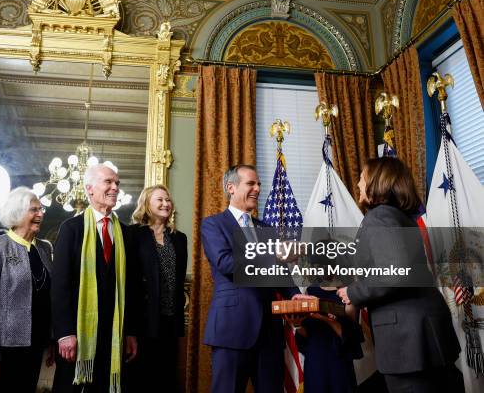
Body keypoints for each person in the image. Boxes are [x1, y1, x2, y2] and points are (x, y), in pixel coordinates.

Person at [337, 157, 462, 393]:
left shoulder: (379, 217)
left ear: (377, 182)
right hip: (426, 336)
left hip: (409, 344)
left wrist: (353, 292)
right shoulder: (399, 217)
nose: (357, 184)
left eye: (362, 178)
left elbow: (394, 271)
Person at [201, 164, 313, 393]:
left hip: (269, 334)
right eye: (251, 183)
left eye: (259, 184)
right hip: (232, 330)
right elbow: (225, 263)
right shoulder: (213, 224)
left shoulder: (266, 228)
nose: (257, 189)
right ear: (230, 187)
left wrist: (299, 297)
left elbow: (280, 275)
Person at [52, 164, 138, 393]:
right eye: (108, 182)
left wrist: (129, 332)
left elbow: (131, 288)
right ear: (89, 189)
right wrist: (64, 332)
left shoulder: (126, 234)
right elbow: (59, 285)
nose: (115, 188)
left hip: (114, 333)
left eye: (117, 183)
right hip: (78, 334)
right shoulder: (71, 228)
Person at [0, 187, 53, 392]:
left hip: (36, 344)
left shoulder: (43, 250)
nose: (41, 214)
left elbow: (47, 298)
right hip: (5, 348)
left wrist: (50, 340)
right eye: (34, 210)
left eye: (41, 209)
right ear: (17, 213)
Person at [128, 185, 187, 392]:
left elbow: (179, 282)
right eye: (160, 200)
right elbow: (130, 282)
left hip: (170, 320)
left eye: (168, 200)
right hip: (143, 321)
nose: (166, 204)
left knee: (167, 377)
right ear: (146, 204)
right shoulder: (133, 235)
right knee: (142, 379)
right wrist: (130, 330)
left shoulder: (180, 238)